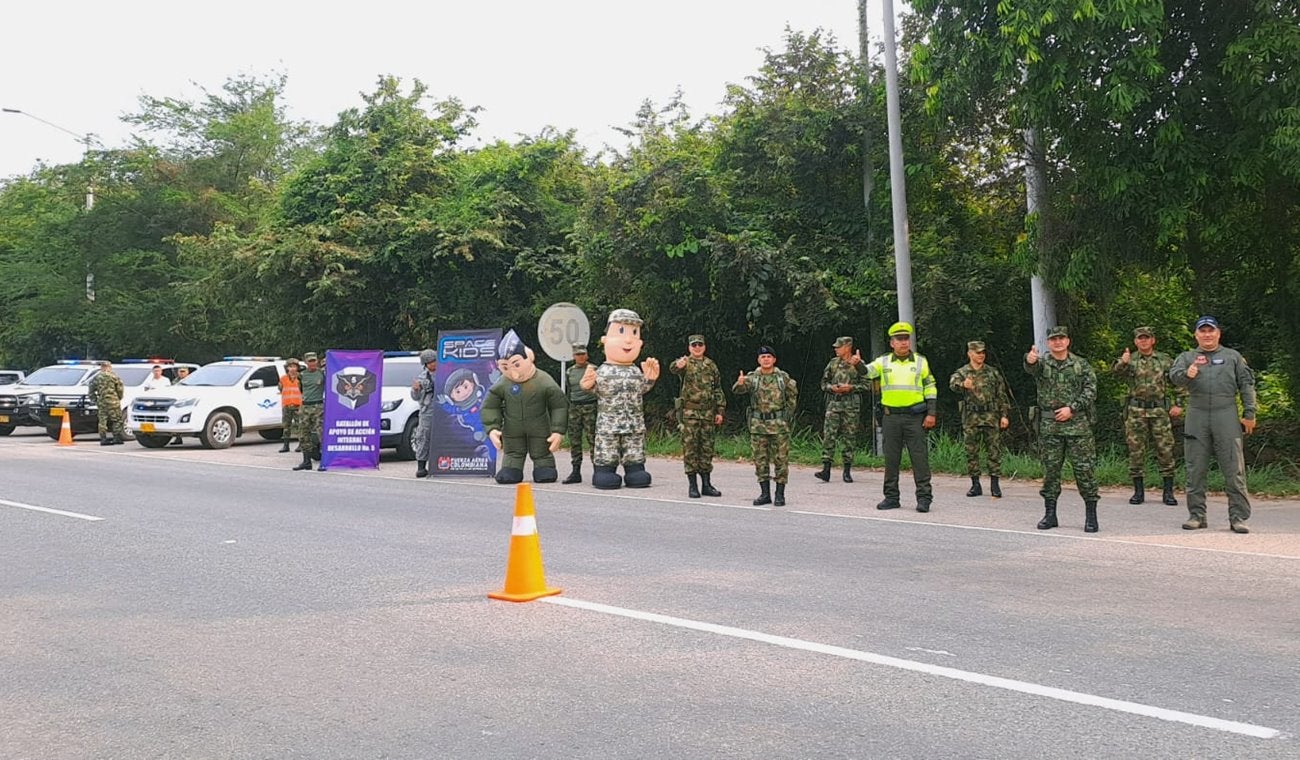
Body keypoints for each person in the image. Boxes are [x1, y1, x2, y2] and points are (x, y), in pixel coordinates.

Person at [1169, 316, 1257, 534]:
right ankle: (1197, 515)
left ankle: (1238, 517)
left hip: (1225, 412)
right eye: (1202, 331)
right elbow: (1173, 377)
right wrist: (1186, 374)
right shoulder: (1187, 357)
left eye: (1211, 331)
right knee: (1194, 467)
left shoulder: (1232, 357)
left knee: (1233, 468)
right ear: (1196, 335)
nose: (1207, 335)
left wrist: (1249, 412)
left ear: (1218, 333)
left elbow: (1246, 384)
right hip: (1197, 413)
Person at [1025, 326, 1099, 532]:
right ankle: (1050, 515)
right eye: (1053, 339)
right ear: (1048, 343)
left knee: (1085, 471)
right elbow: (1030, 367)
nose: (1058, 342)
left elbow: (1091, 390)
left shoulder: (1080, 364)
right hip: (1050, 427)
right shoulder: (1042, 363)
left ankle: (1091, 516)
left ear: (1068, 341)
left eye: (1061, 338)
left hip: (1078, 426)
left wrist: (1072, 408)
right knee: (1050, 472)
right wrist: (1029, 359)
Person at [862, 322, 938, 512]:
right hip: (891, 417)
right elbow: (867, 373)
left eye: (906, 339)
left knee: (920, 459)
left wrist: (931, 413)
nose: (904, 343)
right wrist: (857, 364)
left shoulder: (921, 361)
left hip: (915, 417)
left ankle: (924, 498)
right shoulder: (884, 361)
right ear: (892, 343)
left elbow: (930, 387)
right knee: (891, 460)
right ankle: (891, 497)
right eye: (900, 340)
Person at [580, 309, 660, 489]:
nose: (628, 339)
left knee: (634, 450)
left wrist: (650, 379)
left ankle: (635, 469)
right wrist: (587, 385)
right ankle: (605, 471)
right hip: (609, 425)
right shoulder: (602, 370)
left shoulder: (635, 371)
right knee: (607, 451)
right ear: (605, 339)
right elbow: (593, 389)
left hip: (633, 424)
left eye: (634, 333)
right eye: (621, 332)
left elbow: (640, 390)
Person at [483, 332, 568, 484]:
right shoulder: (503, 383)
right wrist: (492, 427)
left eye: (516, 364)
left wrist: (558, 430)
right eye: (505, 367)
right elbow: (490, 405)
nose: (513, 373)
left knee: (541, 450)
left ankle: (544, 467)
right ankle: (511, 468)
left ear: (529, 357)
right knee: (513, 452)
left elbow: (559, 405)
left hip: (539, 426)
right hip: (512, 428)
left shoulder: (543, 380)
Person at [1113, 327, 1182, 505]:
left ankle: (1168, 492)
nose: (1143, 341)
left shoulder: (1164, 359)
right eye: (1140, 339)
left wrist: (1179, 404)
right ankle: (1138, 492)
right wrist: (1123, 362)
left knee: (1165, 450)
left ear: (1153, 340)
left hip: (1159, 411)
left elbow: (1178, 382)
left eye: (1147, 338)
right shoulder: (1130, 360)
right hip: (1136, 411)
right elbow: (1117, 374)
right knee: (1136, 450)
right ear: (1135, 341)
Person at [733, 346, 798, 506]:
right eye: (763, 357)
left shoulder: (782, 377)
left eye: (769, 356)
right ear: (758, 360)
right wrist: (740, 384)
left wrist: (787, 415)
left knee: (781, 460)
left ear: (774, 360)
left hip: (779, 426)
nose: (766, 359)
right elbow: (737, 390)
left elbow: (792, 395)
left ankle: (780, 494)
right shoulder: (753, 377)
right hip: (758, 426)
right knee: (760, 460)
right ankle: (764, 494)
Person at [949, 341, 1011, 498]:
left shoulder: (992, 372)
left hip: (991, 416)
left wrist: (1004, 415)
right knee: (971, 451)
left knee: (994, 451)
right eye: (977, 352)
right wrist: (963, 385)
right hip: (971, 417)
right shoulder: (963, 372)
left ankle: (995, 484)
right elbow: (953, 384)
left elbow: (1001, 395)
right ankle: (975, 484)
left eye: (983, 352)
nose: (981, 355)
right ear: (969, 353)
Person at [670, 334, 726, 498]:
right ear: (689, 348)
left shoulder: (711, 365)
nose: (697, 347)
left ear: (704, 346)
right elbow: (674, 368)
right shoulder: (686, 363)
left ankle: (706, 485)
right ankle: (692, 485)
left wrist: (720, 411)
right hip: (690, 413)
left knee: (707, 448)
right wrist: (678, 365)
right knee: (691, 449)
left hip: (708, 413)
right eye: (694, 345)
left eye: (699, 345)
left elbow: (718, 389)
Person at [816, 336, 869, 484]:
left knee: (849, 437)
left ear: (848, 347)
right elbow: (823, 383)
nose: (836, 349)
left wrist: (851, 387)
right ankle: (826, 469)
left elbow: (867, 385)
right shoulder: (833, 363)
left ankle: (847, 471)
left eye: (839, 347)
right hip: (834, 404)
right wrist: (831, 388)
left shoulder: (858, 364)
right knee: (829, 436)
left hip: (851, 406)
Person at [562, 344, 598, 484]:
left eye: (583, 354)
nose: (581, 357)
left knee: (593, 439)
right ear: (573, 356)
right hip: (575, 408)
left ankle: (597, 470)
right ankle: (576, 471)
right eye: (578, 354)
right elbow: (569, 390)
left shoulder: (593, 369)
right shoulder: (570, 371)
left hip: (590, 406)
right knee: (575, 440)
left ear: (587, 355)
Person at [292, 352, 325, 472]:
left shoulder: (322, 374)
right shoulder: (302, 375)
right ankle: (306, 462)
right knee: (303, 434)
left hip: (318, 406)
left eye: (314, 361)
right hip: (305, 407)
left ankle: (324, 462)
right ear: (305, 362)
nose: (312, 363)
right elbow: (301, 389)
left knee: (321, 434)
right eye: (310, 361)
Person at [409, 349, 438, 478]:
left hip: (444, 409)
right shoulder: (422, 377)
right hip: (428, 410)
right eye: (430, 362)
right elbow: (415, 397)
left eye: (434, 361)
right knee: (423, 437)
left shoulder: (445, 373)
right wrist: (416, 389)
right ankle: (421, 466)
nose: (433, 364)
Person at [88, 360, 126, 446]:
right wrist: (119, 398)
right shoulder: (114, 377)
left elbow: (91, 391)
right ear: (110, 367)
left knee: (102, 420)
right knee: (116, 419)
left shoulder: (96, 377)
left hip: (102, 401)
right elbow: (120, 389)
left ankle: (103, 438)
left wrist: (95, 400)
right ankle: (117, 437)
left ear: (101, 367)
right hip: (113, 401)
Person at [278, 358, 303, 453]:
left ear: (297, 368)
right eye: (290, 366)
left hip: (298, 405)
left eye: (294, 366)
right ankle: (285, 445)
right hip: (286, 405)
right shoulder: (283, 379)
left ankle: (301, 444)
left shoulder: (301, 378)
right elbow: (281, 389)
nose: (292, 369)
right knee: (286, 426)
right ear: (287, 368)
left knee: (299, 426)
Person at [169, 366, 190, 445]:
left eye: (183, 371)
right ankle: (178, 438)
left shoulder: (191, 380)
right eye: (180, 371)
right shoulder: (175, 381)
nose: (181, 373)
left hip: (187, 402)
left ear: (187, 372)